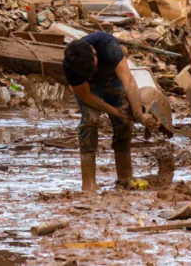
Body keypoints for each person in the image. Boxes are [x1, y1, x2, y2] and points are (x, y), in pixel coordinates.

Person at [63, 32, 160, 193]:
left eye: (93, 65)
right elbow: (86, 96)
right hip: (89, 88)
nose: (93, 70)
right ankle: (88, 184)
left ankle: (124, 179)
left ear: (94, 51)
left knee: (124, 124)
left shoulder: (107, 45)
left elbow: (128, 80)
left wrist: (139, 114)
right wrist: (115, 111)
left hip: (112, 79)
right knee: (90, 122)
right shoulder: (70, 66)